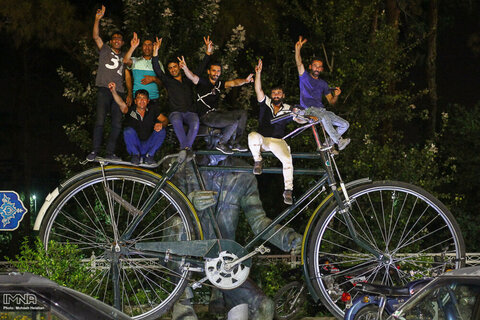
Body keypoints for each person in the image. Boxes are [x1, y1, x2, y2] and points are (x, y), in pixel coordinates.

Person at [248, 59, 305, 205]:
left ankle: (288, 190)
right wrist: (258, 73)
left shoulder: (288, 108)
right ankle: (258, 161)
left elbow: (299, 120)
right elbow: (258, 90)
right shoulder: (266, 102)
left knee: (287, 160)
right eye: (274, 93)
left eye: (279, 93)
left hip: (278, 140)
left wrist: (304, 117)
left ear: (283, 95)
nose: (276, 95)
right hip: (263, 139)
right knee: (252, 135)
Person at [178, 56, 253, 154]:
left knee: (242, 113)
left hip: (216, 114)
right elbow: (193, 77)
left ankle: (235, 143)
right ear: (209, 71)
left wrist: (245, 81)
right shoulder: (203, 82)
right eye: (214, 70)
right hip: (206, 116)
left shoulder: (219, 84)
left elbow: (234, 83)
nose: (216, 73)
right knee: (233, 122)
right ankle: (222, 143)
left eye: (218, 71)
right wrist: (185, 68)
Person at [151, 37, 213, 150]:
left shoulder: (187, 78)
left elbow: (200, 69)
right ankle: (187, 149)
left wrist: (208, 52)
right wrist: (155, 51)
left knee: (195, 124)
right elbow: (157, 69)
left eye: (175, 66)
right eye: (170, 68)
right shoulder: (168, 81)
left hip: (190, 112)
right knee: (175, 121)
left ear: (179, 67)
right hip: (176, 112)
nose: (173, 69)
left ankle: (184, 149)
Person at [295, 36, 350, 151]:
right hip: (308, 109)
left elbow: (331, 102)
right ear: (310, 67)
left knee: (345, 124)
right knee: (324, 117)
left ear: (322, 69)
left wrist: (336, 96)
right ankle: (339, 141)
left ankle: (327, 143)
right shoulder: (304, 77)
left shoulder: (323, 84)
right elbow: (299, 63)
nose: (317, 68)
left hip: (321, 111)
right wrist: (298, 49)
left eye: (319, 67)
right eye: (315, 65)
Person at [87, 5, 125, 161]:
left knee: (117, 124)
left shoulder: (125, 56)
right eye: (114, 38)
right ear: (111, 41)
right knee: (100, 121)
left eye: (119, 39)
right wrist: (97, 20)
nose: (116, 40)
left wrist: (128, 93)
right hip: (104, 89)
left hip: (119, 92)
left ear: (122, 43)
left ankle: (110, 153)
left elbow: (128, 74)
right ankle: (95, 151)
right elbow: (96, 36)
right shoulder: (105, 50)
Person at [108, 82, 167, 165]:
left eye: (144, 98)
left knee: (162, 131)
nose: (142, 100)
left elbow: (165, 120)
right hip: (135, 146)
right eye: (139, 98)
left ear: (148, 101)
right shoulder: (131, 110)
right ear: (135, 101)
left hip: (147, 145)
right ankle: (136, 155)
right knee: (128, 131)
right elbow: (121, 103)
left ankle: (149, 156)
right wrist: (113, 91)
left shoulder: (152, 110)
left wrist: (161, 124)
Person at [123, 32, 164, 109]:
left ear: (153, 47)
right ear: (141, 47)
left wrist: (153, 79)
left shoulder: (158, 63)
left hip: (153, 99)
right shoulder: (135, 61)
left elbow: (163, 82)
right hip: (138, 100)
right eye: (145, 45)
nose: (147, 47)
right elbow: (125, 61)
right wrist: (133, 47)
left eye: (149, 45)